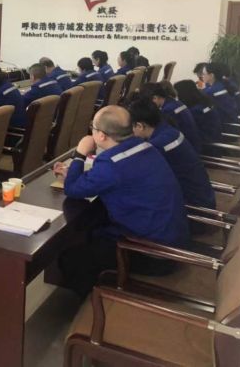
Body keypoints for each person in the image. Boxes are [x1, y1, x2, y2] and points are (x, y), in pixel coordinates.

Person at [54, 106, 189, 297]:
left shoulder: (110, 163)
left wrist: (80, 153)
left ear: (101, 135)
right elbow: (116, 177)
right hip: (172, 237)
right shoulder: (144, 146)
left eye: (93, 127)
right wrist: (77, 176)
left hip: (154, 253)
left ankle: (95, 301)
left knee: (71, 259)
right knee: (94, 223)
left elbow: (73, 190)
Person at [129, 99, 216, 209]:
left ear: (140, 126)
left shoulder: (158, 145)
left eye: (131, 127)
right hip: (203, 192)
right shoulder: (168, 130)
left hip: (192, 202)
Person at [138, 82, 201, 152]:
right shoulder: (175, 102)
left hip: (190, 147)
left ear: (155, 98)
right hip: (192, 144)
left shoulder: (168, 111)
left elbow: (166, 135)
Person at [174, 79, 222, 145]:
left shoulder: (195, 111)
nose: (176, 98)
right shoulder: (203, 102)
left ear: (183, 94)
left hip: (206, 144)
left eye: (177, 95)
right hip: (213, 138)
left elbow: (189, 131)